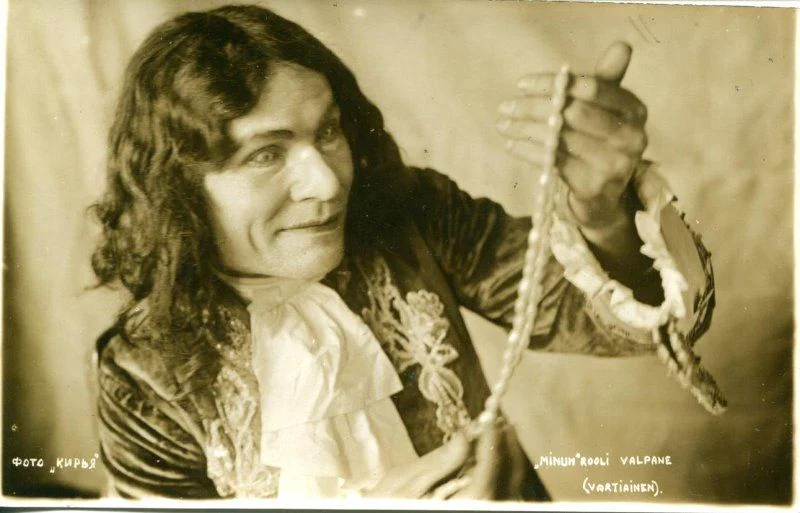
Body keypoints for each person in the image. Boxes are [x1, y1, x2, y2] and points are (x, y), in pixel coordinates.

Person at [91, 4, 715, 500]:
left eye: (327, 132)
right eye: (265, 154)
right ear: (178, 189)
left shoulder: (410, 217)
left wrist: (600, 212)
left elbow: (627, 324)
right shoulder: (141, 378)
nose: (327, 183)